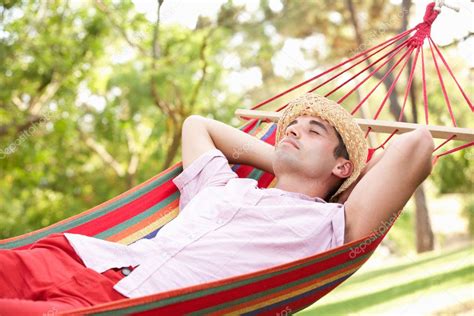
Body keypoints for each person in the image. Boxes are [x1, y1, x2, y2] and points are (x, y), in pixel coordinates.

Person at [0, 93, 434, 314]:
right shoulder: (222, 185)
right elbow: (198, 125)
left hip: (122, 305)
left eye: (313, 130)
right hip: (77, 257)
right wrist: (287, 161)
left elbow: (417, 144)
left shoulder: (331, 226)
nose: (294, 130)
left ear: (342, 168)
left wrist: (331, 181)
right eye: (291, 126)